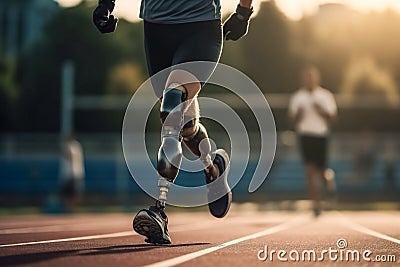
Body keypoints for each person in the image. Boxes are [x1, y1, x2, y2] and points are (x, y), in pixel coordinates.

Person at [93, 0, 254, 244]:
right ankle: (213, 168)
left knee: (172, 107)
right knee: (185, 125)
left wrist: (243, 11)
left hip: (200, 27)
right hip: (156, 29)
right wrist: (105, 3)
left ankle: (159, 209)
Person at [288, 65, 337, 217]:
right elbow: (292, 120)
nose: (309, 80)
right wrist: (300, 114)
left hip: (321, 136)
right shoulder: (298, 97)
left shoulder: (325, 96)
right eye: (306, 77)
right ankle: (316, 205)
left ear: (316, 79)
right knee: (309, 171)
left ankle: (329, 181)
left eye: (311, 77)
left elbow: (332, 117)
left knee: (321, 171)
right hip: (305, 136)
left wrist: (320, 110)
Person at [60, 134, 85, 212]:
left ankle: (73, 207)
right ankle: (68, 207)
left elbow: (71, 156)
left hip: (75, 172)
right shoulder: (67, 146)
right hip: (67, 173)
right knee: (67, 192)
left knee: (75, 192)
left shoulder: (75, 146)